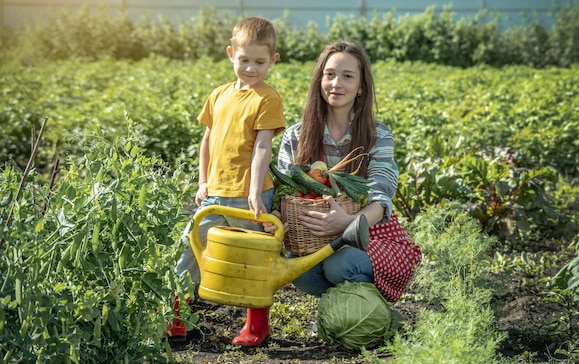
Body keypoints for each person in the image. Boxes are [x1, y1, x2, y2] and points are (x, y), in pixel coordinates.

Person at [265, 40, 422, 304]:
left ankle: (367, 311)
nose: (336, 83)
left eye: (347, 76)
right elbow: (283, 190)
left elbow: (381, 197)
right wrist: (277, 216)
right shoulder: (296, 135)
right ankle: (336, 310)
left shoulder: (377, 135)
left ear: (361, 87)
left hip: (369, 233)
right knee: (301, 269)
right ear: (319, 80)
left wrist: (348, 222)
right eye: (330, 74)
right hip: (313, 235)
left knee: (341, 265)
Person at [168, 16, 285, 346]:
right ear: (231, 53)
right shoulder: (218, 95)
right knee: (189, 250)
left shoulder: (267, 99)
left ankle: (256, 327)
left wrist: (253, 191)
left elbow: (263, 146)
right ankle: (178, 320)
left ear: (273, 61)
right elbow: (207, 140)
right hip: (213, 195)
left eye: (260, 62)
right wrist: (202, 181)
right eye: (244, 60)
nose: (251, 68)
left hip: (250, 197)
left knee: (254, 262)